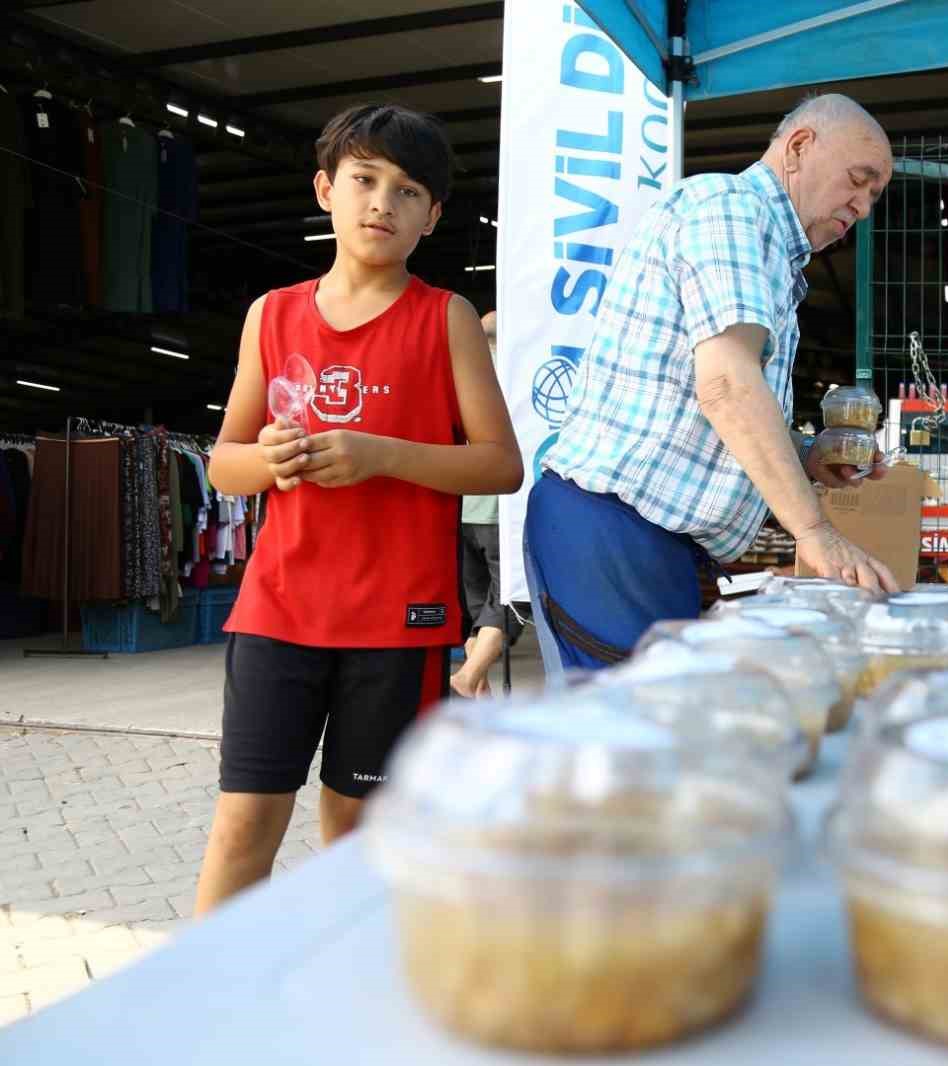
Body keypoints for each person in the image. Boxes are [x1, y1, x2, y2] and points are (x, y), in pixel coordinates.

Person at [194, 104, 523, 914]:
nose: (383, 202)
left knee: (360, 834)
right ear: (325, 190)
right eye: (365, 180)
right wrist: (268, 460)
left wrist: (380, 453)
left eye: (408, 191)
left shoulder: (443, 318)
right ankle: (206, 1013)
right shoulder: (270, 314)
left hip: (397, 622)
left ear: (432, 217)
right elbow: (224, 465)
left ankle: (355, 1011)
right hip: (278, 613)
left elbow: (501, 465)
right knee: (243, 826)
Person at [526, 94, 898, 669]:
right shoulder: (729, 210)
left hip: (646, 538)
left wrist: (803, 454)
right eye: (858, 179)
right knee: (626, 740)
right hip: (614, 529)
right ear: (799, 147)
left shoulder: (769, 251)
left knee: (654, 732)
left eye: (874, 194)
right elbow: (725, 385)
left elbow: (692, 400)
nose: (863, 205)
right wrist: (814, 531)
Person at [453, 310, 526, 698]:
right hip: (501, 510)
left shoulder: (464, 377)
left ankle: (478, 690)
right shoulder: (516, 376)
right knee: (508, 600)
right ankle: (469, 678)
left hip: (463, 507)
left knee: (479, 603)